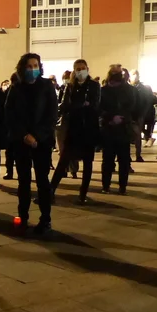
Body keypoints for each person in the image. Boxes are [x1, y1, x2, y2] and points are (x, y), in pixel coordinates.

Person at [6, 53, 58, 234]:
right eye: (29, 66)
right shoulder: (16, 88)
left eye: (35, 65)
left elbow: (52, 115)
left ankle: (45, 219)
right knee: (24, 181)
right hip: (21, 141)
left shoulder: (47, 86)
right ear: (23, 68)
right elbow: (9, 114)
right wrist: (23, 135)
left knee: (43, 181)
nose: (33, 69)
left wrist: (37, 136)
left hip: (42, 141)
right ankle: (23, 217)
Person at [51, 60, 100, 204]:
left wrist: (79, 105)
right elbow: (65, 105)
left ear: (87, 69)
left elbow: (94, 105)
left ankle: (83, 194)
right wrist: (80, 105)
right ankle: (50, 191)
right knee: (64, 160)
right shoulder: (70, 86)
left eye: (83, 68)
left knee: (88, 163)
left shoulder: (94, 86)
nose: (80, 71)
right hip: (73, 129)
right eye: (78, 69)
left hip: (89, 129)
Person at [99, 65, 137, 194]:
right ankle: (106, 185)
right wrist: (110, 117)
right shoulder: (103, 90)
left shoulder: (129, 90)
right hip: (108, 128)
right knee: (107, 160)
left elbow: (133, 107)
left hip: (123, 128)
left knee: (124, 160)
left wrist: (122, 118)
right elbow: (99, 108)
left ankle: (122, 186)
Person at [133, 71, 156, 156]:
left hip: (140, 113)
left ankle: (138, 154)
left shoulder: (142, 88)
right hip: (135, 113)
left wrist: (143, 112)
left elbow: (147, 101)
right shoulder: (131, 87)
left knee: (138, 133)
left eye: (136, 75)